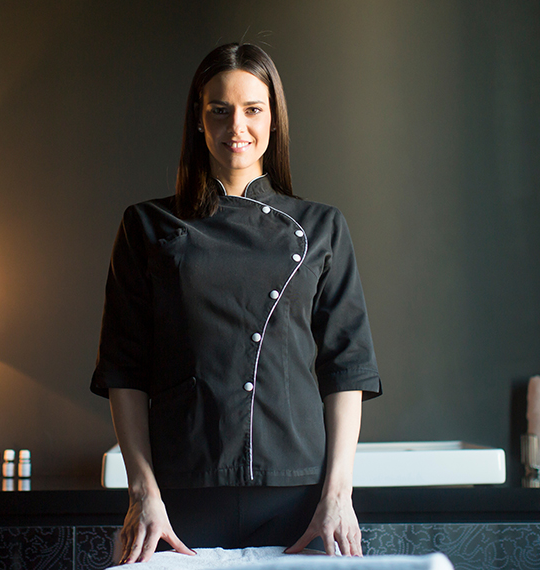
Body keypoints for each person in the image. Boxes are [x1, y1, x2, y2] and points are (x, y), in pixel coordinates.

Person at [91, 43, 381, 565]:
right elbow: (123, 370)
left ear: (275, 120)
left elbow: (347, 370)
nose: (236, 126)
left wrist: (338, 496)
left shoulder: (322, 227)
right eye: (218, 110)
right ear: (198, 122)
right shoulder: (146, 227)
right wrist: (143, 494)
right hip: (178, 498)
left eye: (253, 109)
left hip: (299, 496)